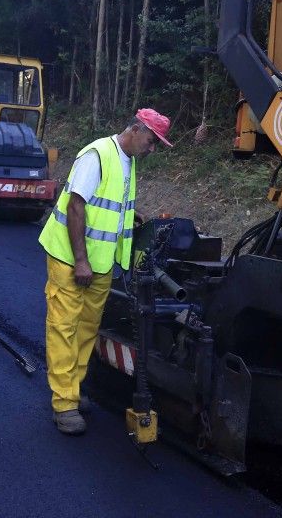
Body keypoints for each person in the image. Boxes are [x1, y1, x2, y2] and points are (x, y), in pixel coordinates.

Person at [38, 108, 172, 435]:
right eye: (152, 141)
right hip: (73, 260)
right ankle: (64, 403)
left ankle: (73, 386)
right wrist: (81, 260)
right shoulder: (96, 155)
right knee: (64, 327)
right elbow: (75, 205)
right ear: (136, 129)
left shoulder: (128, 161)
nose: (152, 148)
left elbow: (110, 204)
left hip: (102, 263)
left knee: (86, 328)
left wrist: (134, 216)